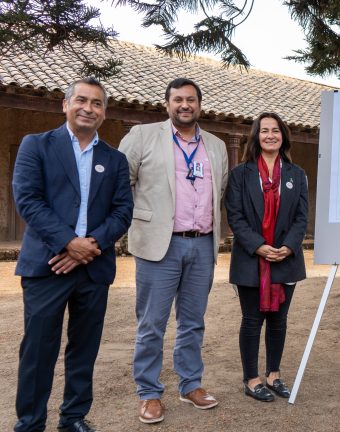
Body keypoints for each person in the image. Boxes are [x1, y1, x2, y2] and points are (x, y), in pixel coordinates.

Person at [12, 78, 133, 432]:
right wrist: (68, 242)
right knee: (38, 349)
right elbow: (29, 200)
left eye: (97, 103)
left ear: (104, 112)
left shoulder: (115, 159)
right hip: (47, 265)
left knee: (84, 349)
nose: (88, 108)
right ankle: (30, 422)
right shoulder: (36, 146)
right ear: (64, 105)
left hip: (93, 268)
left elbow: (123, 211)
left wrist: (89, 246)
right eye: (81, 100)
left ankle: (74, 417)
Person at [118, 78, 229, 424]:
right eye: (178, 99)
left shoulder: (216, 145)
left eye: (191, 99)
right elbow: (123, 185)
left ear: (200, 104)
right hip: (159, 246)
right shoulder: (142, 136)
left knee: (193, 322)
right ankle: (149, 393)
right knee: (152, 323)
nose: (185, 105)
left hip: (201, 244)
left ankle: (190, 384)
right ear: (167, 104)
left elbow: (219, 189)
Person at [225, 112, 308, 402]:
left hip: (286, 258)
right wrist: (258, 245)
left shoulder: (296, 175)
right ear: (255, 137)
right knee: (251, 320)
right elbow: (234, 216)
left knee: (279, 321)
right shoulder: (240, 174)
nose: (270, 135)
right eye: (264, 131)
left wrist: (288, 246)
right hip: (251, 258)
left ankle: (273, 374)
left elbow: (301, 216)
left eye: (275, 130)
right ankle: (251, 378)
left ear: (283, 135)